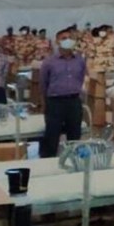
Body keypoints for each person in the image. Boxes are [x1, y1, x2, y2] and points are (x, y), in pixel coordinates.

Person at [40, 29, 87, 158]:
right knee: (52, 135)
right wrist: (44, 104)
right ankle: (48, 162)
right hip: (55, 102)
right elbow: (43, 84)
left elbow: (81, 78)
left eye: (69, 38)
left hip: (74, 101)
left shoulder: (80, 60)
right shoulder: (49, 62)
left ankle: (74, 161)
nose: (67, 40)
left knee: (75, 135)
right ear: (57, 41)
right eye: (63, 38)